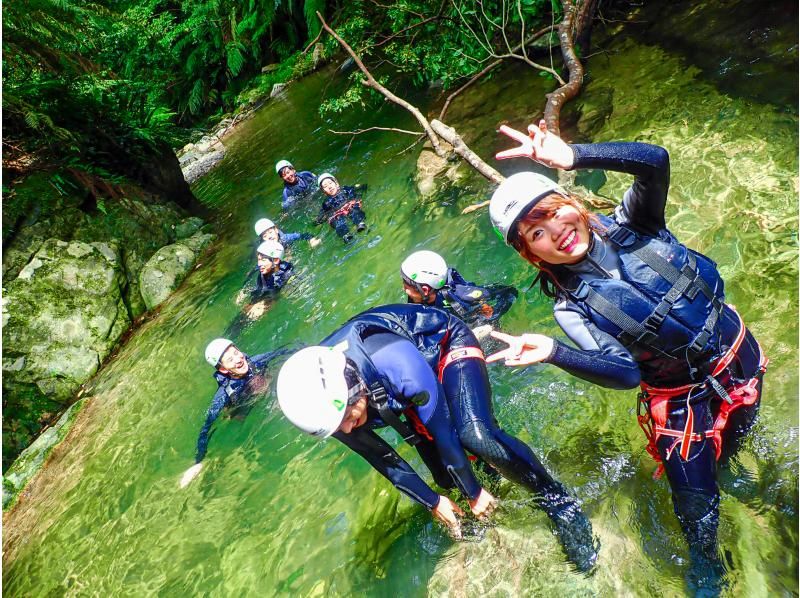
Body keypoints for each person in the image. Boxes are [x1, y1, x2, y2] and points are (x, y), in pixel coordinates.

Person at [486, 120, 767, 591]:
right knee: (695, 507)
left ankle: (732, 467)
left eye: (553, 213)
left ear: (572, 203)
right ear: (530, 253)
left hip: (737, 357)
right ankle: (708, 572)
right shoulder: (569, 306)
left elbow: (655, 160)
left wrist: (574, 155)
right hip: (682, 402)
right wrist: (554, 352)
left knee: (737, 445)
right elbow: (622, 374)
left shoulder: (637, 222)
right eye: (535, 233)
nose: (555, 232)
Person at [277, 304, 599, 570]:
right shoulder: (329, 409)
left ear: (352, 386)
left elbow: (443, 431)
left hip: (445, 346)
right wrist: (434, 503)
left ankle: (557, 500)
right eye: (339, 428)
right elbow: (385, 461)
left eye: (348, 417)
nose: (348, 430)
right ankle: (492, 487)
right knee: (444, 480)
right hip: (392, 387)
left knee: (473, 435)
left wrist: (472, 492)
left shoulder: (397, 364)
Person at [179, 339, 288, 488]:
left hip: (264, 392)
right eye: (230, 359)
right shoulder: (223, 395)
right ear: (223, 369)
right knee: (232, 436)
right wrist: (198, 460)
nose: (238, 359)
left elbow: (284, 351)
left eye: (236, 353)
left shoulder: (256, 362)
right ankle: (206, 466)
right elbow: (206, 428)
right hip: (240, 410)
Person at [400, 250, 518, 328]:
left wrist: (490, 319)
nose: (403, 287)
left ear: (424, 290)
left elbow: (509, 292)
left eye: (406, 284)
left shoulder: (463, 294)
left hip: (478, 329)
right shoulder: (416, 298)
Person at [316, 172, 367, 243]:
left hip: (349, 206)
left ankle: (360, 224)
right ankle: (346, 235)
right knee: (338, 222)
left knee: (353, 210)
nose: (329, 187)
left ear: (336, 183)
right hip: (338, 214)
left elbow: (360, 188)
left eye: (330, 183)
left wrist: (363, 187)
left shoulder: (346, 190)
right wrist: (318, 222)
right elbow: (321, 217)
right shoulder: (326, 203)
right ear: (323, 191)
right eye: (325, 186)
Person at [254, 217, 320, 249]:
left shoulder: (285, 238)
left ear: (276, 230)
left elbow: (305, 235)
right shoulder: (264, 248)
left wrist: (312, 240)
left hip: (284, 243)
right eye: (265, 236)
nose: (269, 237)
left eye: (270, 232)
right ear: (263, 240)